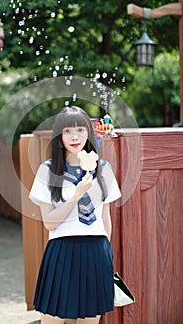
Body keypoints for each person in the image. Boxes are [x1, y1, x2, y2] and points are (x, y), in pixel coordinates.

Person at [29, 106, 121, 324]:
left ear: (88, 133)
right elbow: (49, 223)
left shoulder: (103, 169)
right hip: (62, 252)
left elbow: (105, 219)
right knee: (53, 319)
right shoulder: (47, 171)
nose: (75, 136)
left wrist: (106, 255)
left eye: (80, 129)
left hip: (96, 252)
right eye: (68, 130)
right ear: (59, 135)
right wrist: (75, 195)